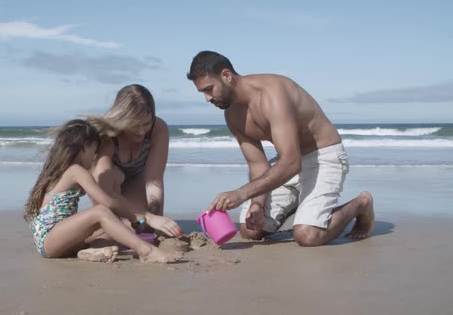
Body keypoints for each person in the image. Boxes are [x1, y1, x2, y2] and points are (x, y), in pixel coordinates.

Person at [186, 51, 374, 247]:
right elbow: (257, 164)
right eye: (202, 93)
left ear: (226, 76)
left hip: (322, 157)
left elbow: (292, 162)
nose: (207, 99)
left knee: (307, 235)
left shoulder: (272, 94)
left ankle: (361, 204)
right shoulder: (232, 114)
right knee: (251, 230)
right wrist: (257, 203)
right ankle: (298, 205)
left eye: (209, 89)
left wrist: (241, 194)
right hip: (287, 163)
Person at [24, 119, 181, 263]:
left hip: (62, 241)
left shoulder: (60, 171)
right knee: (101, 212)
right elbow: (107, 201)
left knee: (108, 230)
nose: (94, 157)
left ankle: (92, 252)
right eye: (94, 151)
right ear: (85, 146)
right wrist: (136, 218)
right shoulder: (75, 171)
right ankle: (147, 252)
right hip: (50, 241)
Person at [87, 84, 182, 238]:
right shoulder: (109, 136)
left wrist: (156, 220)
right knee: (120, 226)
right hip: (106, 187)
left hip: (136, 180)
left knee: (143, 228)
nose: (141, 131)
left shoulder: (158, 128)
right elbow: (102, 187)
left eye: (146, 123)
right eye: (135, 125)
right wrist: (148, 218)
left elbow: (154, 180)